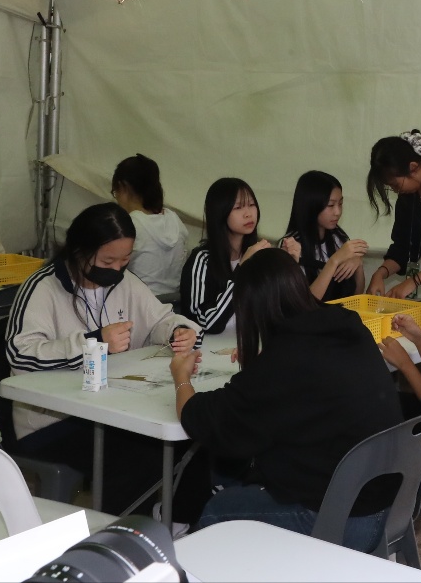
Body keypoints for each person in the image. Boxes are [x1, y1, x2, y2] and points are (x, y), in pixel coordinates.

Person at [171, 249, 403, 548]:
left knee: (216, 513)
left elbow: (201, 417)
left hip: (340, 522)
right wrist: (264, 359)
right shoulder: (345, 324)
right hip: (386, 505)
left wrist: (181, 377)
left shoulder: (283, 361)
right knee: (237, 473)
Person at [5, 202, 197, 509]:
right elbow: (21, 353)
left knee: (189, 438)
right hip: (52, 421)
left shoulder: (124, 281)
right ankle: (119, 536)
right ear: (79, 250)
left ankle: (179, 523)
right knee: (138, 454)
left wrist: (179, 331)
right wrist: (93, 341)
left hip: (112, 409)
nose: (117, 269)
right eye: (108, 260)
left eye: (125, 260)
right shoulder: (42, 288)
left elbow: (160, 318)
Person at [364, 130, 421, 299]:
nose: (396, 191)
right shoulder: (407, 197)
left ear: (413, 167)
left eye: (396, 185)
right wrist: (380, 274)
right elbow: (402, 248)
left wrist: (414, 281)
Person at [180, 178, 271, 340]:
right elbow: (206, 323)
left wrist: (290, 267)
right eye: (238, 207)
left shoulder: (259, 254)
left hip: (252, 344)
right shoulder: (202, 260)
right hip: (209, 351)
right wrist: (241, 270)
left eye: (252, 205)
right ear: (219, 212)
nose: (248, 213)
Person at [281, 171, 367, 303]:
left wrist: (358, 265)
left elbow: (356, 297)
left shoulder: (339, 239)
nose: (337, 212)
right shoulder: (290, 245)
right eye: (330, 205)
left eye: (340, 204)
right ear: (311, 205)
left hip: (341, 318)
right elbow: (306, 304)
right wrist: (334, 261)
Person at [111, 154, 189, 297]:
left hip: (139, 305)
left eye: (115, 192)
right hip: (176, 305)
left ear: (123, 187)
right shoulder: (174, 219)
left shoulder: (130, 225)